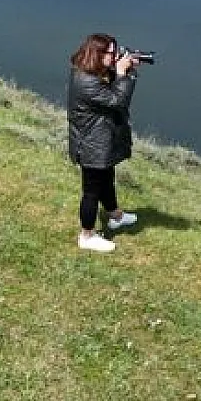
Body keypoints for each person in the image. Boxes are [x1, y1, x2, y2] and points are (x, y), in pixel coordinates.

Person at [67, 32, 140, 252]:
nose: (114, 56)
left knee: (107, 178)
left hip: (98, 141)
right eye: (111, 53)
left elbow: (112, 87)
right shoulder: (86, 81)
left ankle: (115, 216)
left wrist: (127, 69)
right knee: (91, 191)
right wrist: (122, 74)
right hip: (91, 144)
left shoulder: (90, 72)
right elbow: (118, 101)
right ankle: (87, 236)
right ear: (97, 54)